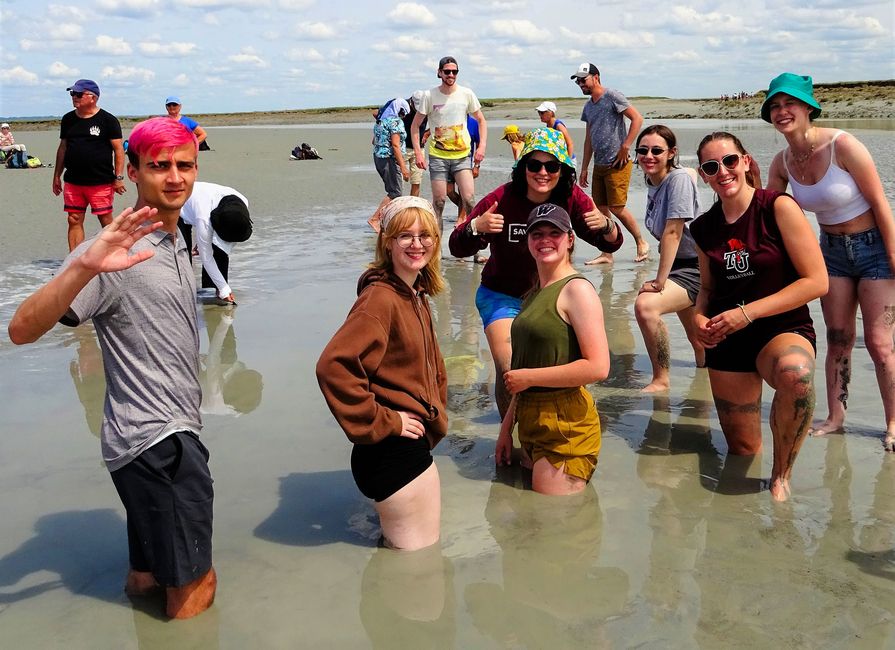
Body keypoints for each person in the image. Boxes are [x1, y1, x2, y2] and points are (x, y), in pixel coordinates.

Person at [9, 117, 217, 617]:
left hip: (148, 440)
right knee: (196, 587)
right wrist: (83, 264)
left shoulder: (177, 238)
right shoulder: (111, 252)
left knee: (145, 578)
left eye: (184, 165)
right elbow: (21, 329)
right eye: (158, 166)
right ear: (134, 173)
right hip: (156, 441)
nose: (174, 177)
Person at [689, 131, 828, 501]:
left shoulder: (777, 207)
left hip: (782, 328)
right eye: (711, 166)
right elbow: (705, 289)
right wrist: (699, 321)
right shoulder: (703, 228)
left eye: (730, 161)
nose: (723, 171)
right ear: (703, 175)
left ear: (746, 161)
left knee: (796, 376)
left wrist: (747, 314)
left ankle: (781, 476)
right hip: (727, 339)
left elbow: (817, 282)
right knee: (742, 451)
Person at [449, 127, 623, 419]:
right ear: (523, 167)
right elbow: (456, 246)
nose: (543, 172)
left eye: (552, 166)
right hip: (502, 294)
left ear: (563, 169)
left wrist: (606, 225)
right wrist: (475, 228)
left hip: (553, 299)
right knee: (510, 368)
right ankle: (510, 433)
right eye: (534, 164)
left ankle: (551, 428)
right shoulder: (501, 199)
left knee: (556, 367)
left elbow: (613, 243)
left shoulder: (572, 197)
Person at [763, 72, 895, 449]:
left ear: (808, 108)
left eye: (789, 103)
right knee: (837, 338)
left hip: (874, 249)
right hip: (831, 253)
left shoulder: (843, 146)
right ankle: (836, 417)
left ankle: (893, 421)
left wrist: (893, 253)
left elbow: (881, 204)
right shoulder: (783, 162)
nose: (782, 111)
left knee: (879, 343)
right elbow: (769, 213)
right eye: (775, 106)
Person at [317, 196, 448, 551]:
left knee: (404, 571)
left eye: (425, 235)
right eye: (405, 235)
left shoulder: (413, 292)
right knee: (418, 574)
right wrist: (384, 420)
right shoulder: (380, 298)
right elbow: (334, 366)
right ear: (387, 241)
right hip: (393, 450)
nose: (417, 244)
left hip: (401, 447)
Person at [495, 203, 610, 495]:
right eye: (537, 233)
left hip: (566, 421)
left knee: (555, 526)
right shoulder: (535, 293)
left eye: (554, 233)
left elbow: (598, 367)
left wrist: (530, 378)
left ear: (570, 239)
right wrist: (506, 429)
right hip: (531, 421)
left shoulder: (577, 290)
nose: (545, 240)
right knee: (534, 524)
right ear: (528, 241)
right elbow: (522, 371)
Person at [632, 125, 704, 392]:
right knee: (698, 340)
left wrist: (659, 281)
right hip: (676, 263)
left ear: (672, 152)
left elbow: (673, 231)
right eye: (642, 150)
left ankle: (661, 379)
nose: (648, 155)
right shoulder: (654, 180)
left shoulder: (677, 179)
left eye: (657, 151)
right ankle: (705, 383)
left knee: (646, 307)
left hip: (695, 267)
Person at [572, 62, 650, 265]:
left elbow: (637, 119)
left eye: (584, 80)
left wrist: (626, 146)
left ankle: (641, 242)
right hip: (599, 164)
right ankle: (607, 253)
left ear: (596, 77)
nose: (581, 84)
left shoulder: (612, 96)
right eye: (578, 81)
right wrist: (584, 168)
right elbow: (588, 138)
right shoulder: (588, 106)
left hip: (618, 162)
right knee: (601, 210)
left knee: (617, 207)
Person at [411, 56, 488, 232]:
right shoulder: (430, 96)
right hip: (438, 156)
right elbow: (415, 126)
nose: (451, 75)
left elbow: (481, 121)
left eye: (454, 71)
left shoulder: (466, 94)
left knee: (469, 200)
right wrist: (418, 153)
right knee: (439, 202)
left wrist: (482, 146)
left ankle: (475, 248)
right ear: (439, 73)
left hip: (462, 156)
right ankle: (436, 250)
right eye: (447, 71)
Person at [53, 79, 126, 252]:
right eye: (72, 94)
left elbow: (119, 151)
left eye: (78, 94)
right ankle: (75, 259)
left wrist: (119, 178)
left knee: (105, 220)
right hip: (73, 181)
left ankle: (113, 253)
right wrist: (56, 175)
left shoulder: (108, 120)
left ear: (92, 97)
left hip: (100, 181)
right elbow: (63, 147)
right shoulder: (68, 119)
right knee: (74, 219)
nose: (74, 97)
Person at [179, 181, 252, 305]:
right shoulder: (204, 217)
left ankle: (212, 291)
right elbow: (206, 257)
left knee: (219, 250)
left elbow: (229, 240)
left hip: (204, 206)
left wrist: (205, 241)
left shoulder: (242, 202)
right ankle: (183, 294)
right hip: (180, 204)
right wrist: (224, 288)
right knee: (183, 255)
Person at [369, 98, 411, 230]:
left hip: (379, 158)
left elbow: (373, 141)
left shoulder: (380, 121)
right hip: (390, 160)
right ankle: (375, 219)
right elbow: (395, 145)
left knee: (392, 190)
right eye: (403, 113)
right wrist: (403, 167)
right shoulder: (395, 122)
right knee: (395, 192)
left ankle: (386, 220)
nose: (403, 116)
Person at [403, 91, 430, 197]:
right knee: (398, 181)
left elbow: (438, 122)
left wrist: (427, 133)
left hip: (419, 149)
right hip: (402, 148)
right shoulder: (402, 106)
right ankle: (398, 208)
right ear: (411, 102)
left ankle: (412, 205)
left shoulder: (427, 106)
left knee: (416, 181)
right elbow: (377, 113)